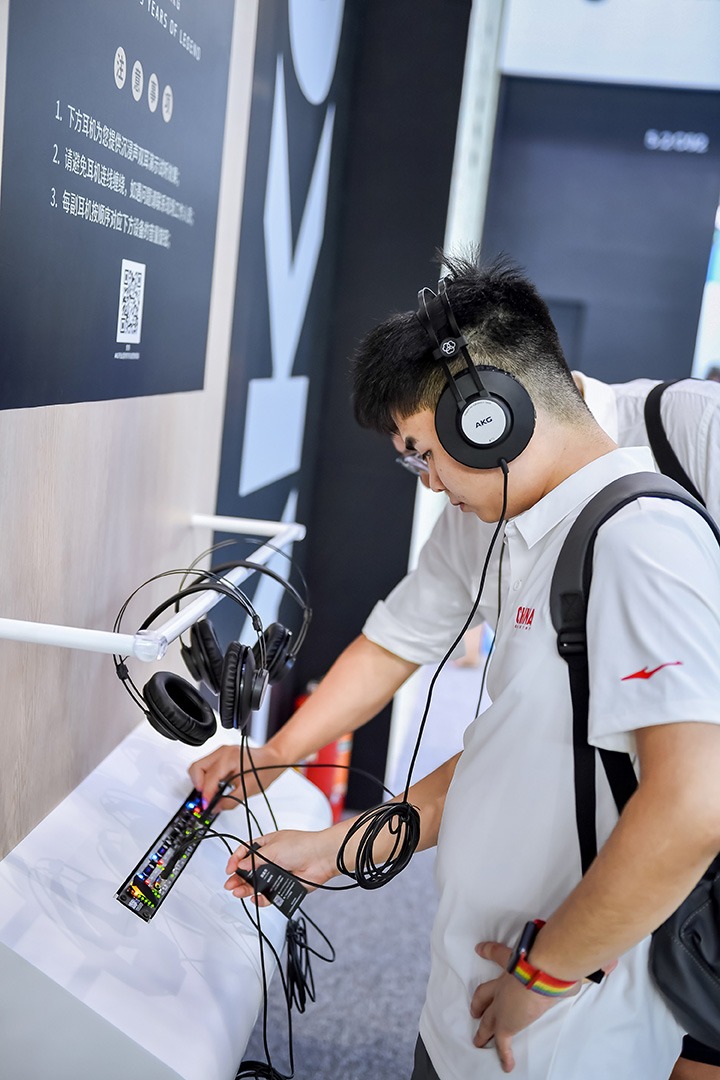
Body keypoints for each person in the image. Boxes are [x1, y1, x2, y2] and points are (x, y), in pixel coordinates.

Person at [194, 255, 720, 1079]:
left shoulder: (643, 531)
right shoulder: (530, 531)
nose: (429, 485)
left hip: (563, 1019)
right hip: (485, 1000)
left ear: (491, 420)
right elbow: (499, 733)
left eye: (421, 453)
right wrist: (340, 842)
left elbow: (693, 803)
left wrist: (548, 973)